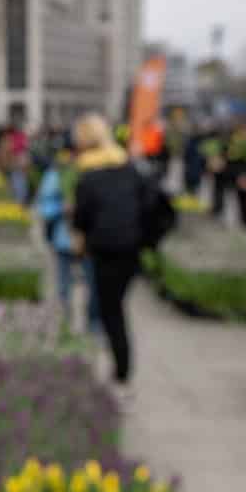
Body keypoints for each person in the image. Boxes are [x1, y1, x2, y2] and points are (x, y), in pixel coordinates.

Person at [72, 114, 147, 397]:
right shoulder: (128, 167)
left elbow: (82, 217)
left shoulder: (88, 175)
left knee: (110, 311)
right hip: (129, 248)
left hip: (104, 249)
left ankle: (120, 374)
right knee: (116, 308)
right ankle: (120, 369)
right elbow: (151, 204)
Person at [37, 150, 99, 334]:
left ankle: (93, 326)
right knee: (64, 286)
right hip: (64, 238)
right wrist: (62, 208)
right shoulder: (56, 175)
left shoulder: (93, 173)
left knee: (93, 285)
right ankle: (65, 325)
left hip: (88, 241)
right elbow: (45, 207)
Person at [0, 124, 30, 203]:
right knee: (17, 185)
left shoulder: (9, 139)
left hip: (14, 166)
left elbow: (4, 153)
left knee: (17, 185)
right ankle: (19, 201)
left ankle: (19, 202)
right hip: (14, 167)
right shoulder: (17, 139)